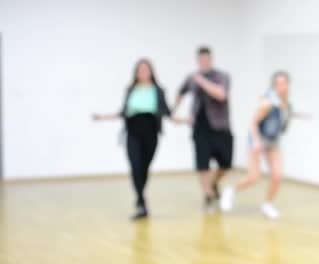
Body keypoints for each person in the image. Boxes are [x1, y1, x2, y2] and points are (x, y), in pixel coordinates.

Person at [220, 71, 307, 219]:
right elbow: (253, 122)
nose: (281, 86)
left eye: (284, 83)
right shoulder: (267, 103)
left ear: (288, 85)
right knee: (253, 177)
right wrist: (256, 141)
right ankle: (230, 191)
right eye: (278, 84)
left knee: (277, 175)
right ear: (273, 86)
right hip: (258, 140)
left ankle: (268, 204)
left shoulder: (287, 104)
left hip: (273, 142)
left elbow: (282, 118)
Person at [93, 59, 171, 220]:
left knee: (144, 167)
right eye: (140, 70)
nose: (143, 72)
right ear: (136, 73)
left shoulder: (158, 90)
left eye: (146, 69)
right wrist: (103, 117)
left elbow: (166, 111)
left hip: (151, 132)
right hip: (133, 132)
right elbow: (123, 111)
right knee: (135, 166)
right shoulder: (131, 90)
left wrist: (183, 119)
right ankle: (141, 202)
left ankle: (140, 198)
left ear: (151, 72)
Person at [172, 47, 232, 210]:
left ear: (211, 60)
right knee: (203, 163)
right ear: (198, 61)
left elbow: (221, 94)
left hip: (220, 126)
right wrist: (173, 111)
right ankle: (207, 195)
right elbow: (180, 92)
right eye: (201, 60)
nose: (204, 62)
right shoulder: (191, 78)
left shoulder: (222, 76)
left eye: (207, 60)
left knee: (226, 164)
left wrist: (202, 81)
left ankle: (213, 183)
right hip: (199, 127)